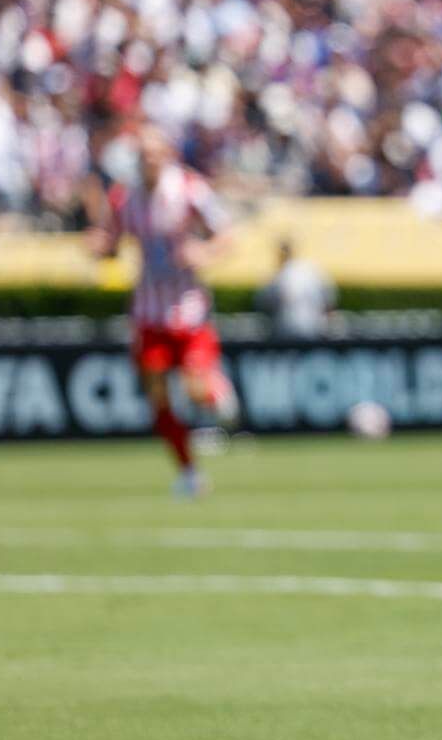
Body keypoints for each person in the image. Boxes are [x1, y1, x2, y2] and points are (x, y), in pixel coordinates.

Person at [87, 123, 238, 496]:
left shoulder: (188, 189)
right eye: (143, 155)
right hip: (148, 312)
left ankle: (216, 393)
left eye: (155, 154)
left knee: (195, 388)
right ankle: (188, 472)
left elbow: (227, 235)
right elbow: (112, 239)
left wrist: (203, 252)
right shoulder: (125, 197)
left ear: (167, 155)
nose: (149, 161)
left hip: (187, 308)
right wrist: (98, 244)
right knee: (157, 397)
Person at [261, 239, 335, 340]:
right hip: (314, 332)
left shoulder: (279, 275)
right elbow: (329, 303)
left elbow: (265, 305)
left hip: (287, 334)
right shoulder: (312, 269)